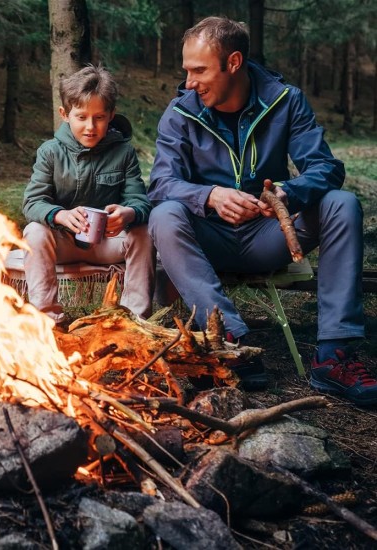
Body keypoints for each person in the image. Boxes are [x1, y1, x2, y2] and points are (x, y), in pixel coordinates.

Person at [148, 16, 377, 404]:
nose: (189, 82)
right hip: (209, 237)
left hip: (271, 233)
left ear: (233, 63)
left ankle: (334, 355)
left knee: (342, 204)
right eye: (186, 70)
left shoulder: (285, 101)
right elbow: (160, 184)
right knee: (164, 215)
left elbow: (326, 168)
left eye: (199, 70)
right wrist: (211, 197)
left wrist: (290, 193)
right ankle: (231, 341)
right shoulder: (179, 113)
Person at [22, 64, 155, 328]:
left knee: (143, 232)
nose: (90, 127)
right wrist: (59, 215)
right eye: (81, 117)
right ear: (65, 114)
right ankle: (47, 321)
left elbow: (140, 201)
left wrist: (129, 213)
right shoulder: (50, 152)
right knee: (34, 231)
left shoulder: (123, 152)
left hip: (108, 243)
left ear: (111, 115)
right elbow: (32, 202)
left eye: (99, 118)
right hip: (64, 243)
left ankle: (134, 321)